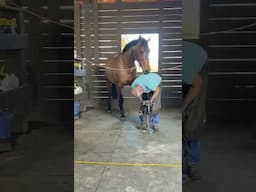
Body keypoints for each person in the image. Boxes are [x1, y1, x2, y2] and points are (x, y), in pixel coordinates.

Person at [182, 41, 208, 183]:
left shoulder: (185, 64)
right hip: (187, 78)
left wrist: (184, 105)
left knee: (192, 126)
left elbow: (196, 83)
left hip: (198, 75)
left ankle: (192, 165)